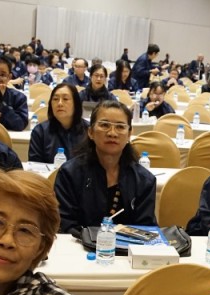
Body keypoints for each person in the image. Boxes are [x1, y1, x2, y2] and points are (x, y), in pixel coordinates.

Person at [54, 99, 156, 233]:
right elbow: (64, 224)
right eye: (104, 125)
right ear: (91, 132)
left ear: (129, 134)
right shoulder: (69, 174)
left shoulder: (144, 180)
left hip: (127, 246)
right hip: (78, 244)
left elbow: (146, 230)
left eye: (120, 127)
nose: (112, 133)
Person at [29, 83, 88, 163]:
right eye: (55, 99)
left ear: (76, 103)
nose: (60, 103)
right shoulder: (40, 132)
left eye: (65, 99)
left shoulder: (89, 131)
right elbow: (34, 166)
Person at [0, 55, 28, 131]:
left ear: (9, 77)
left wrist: (0, 100)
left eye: (2, 75)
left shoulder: (19, 97)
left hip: (9, 137)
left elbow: (20, 125)